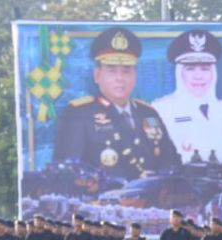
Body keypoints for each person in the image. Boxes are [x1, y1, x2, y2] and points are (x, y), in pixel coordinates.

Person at [53, 26, 180, 180]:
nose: (120, 78)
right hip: (103, 202)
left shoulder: (148, 113)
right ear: (97, 75)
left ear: (135, 76)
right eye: (111, 70)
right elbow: (67, 174)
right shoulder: (79, 113)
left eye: (126, 70)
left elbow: (171, 161)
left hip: (154, 201)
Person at [152, 29, 222, 166]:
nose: (198, 76)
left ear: (213, 73)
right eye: (190, 69)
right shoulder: (159, 110)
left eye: (205, 69)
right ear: (180, 73)